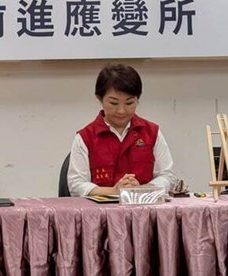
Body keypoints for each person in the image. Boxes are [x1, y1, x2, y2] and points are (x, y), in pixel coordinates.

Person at [67, 64, 175, 197]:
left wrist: (141, 189)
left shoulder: (152, 133)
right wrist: (114, 191)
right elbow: (76, 184)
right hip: (100, 214)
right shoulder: (85, 137)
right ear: (100, 99)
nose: (121, 111)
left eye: (129, 103)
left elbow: (167, 176)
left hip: (144, 209)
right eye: (113, 103)